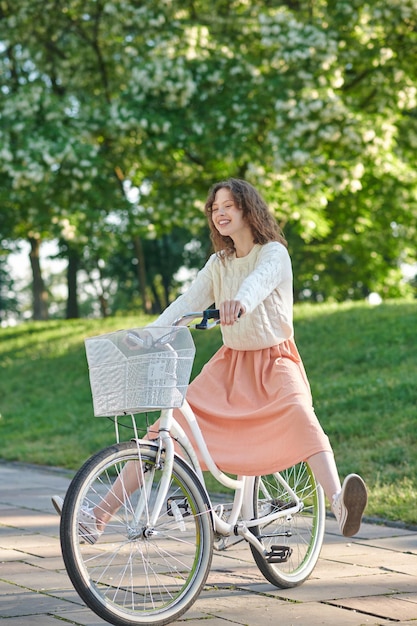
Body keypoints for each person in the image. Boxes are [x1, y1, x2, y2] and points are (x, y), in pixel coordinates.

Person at [53, 178, 367, 541]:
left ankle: (338, 503)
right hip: (229, 365)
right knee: (165, 431)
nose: (219, 213)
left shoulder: (273, 253)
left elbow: (258, 284)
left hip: (275, 361)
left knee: (300, 415)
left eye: (227, 206)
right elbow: (188, 302)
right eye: (214, 208)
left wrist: (240, 303)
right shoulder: (219, 263)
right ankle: (97, 518)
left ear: (247, 210)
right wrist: (150, 333)